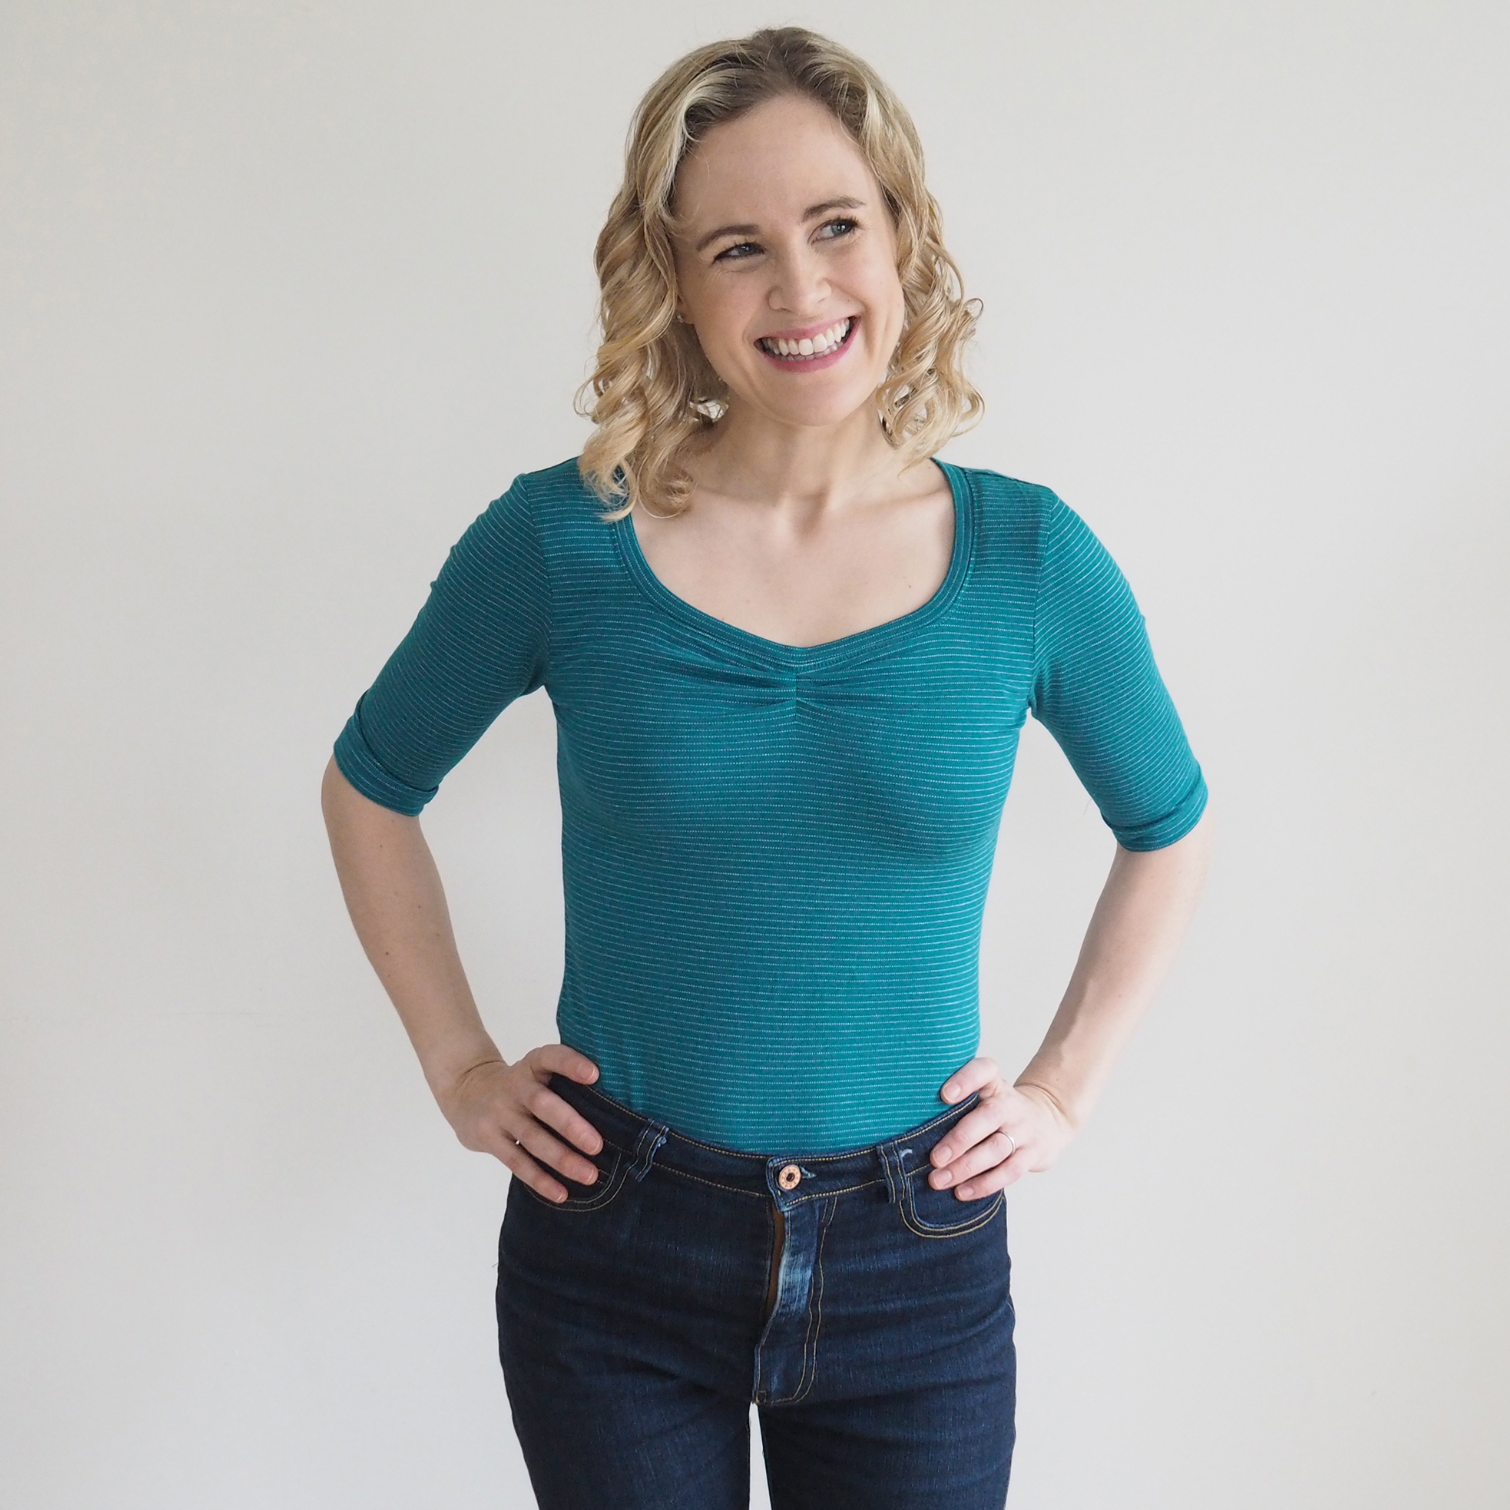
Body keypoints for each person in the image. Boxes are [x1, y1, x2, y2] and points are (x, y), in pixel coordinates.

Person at [321, 25, 1213, 1510]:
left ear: (902, 239)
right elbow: (369, 786)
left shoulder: (1028, 559)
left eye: (835, 225)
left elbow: (1168, 827)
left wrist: (1061, 1089)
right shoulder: (561, 541)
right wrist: (460, 1064)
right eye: (737, 246)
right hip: (613, 1245)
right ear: (672, 282)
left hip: (916, 1258)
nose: (799, 289)